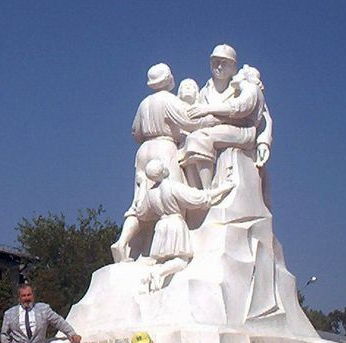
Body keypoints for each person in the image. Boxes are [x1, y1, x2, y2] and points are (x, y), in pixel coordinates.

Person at [111, 63, 216, 263]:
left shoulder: (144, 104)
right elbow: (189, 120)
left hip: (143, 151)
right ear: (167, 79)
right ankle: (169, 253)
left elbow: (136, 132)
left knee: (140, 203)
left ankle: (122, 242)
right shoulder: (168, 100)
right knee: (172, 202)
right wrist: (207, 122)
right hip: (163, 148)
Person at [113, 158, 235, 291]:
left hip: (160, 227)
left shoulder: (151, 194)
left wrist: (142, 186)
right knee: (181, 261)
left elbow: (141, 213)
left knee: (161, 259)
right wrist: (224, 188)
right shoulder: (172, 186)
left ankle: (154, 276)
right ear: (163, 170)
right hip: (174, 225)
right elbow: (199, 198)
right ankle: (159, 273)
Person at [182, 44, 272, 189]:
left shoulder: (244, 87)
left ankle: (207, 192)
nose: (218, 67)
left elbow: (264, 117)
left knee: (198, 139)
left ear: (233, 67)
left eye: (224, 63)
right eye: (215, 62)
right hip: (214, 131)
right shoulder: (205, 91)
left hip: (242, 131)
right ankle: (196, 193)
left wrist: (263, 142)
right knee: (186, 147)